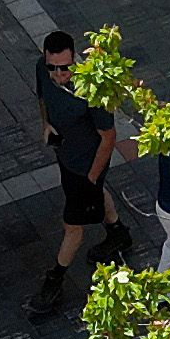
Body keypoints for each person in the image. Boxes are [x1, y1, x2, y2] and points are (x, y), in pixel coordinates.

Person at [31, 29, 116, 319]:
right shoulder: (42, 69)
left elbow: (108, 137)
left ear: (75, 59)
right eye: (53, 67)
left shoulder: (93, 90)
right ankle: (117, 232)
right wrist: (46, 124)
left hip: (87, 165)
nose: (58, 75)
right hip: (66, 156)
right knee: (96, 196)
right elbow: (43, 97)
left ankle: (55, 279)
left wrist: (91, 178)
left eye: (64, 68)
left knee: (72, 225)